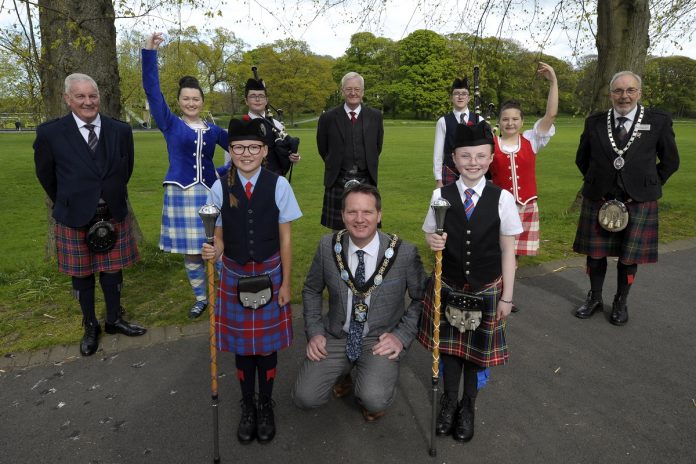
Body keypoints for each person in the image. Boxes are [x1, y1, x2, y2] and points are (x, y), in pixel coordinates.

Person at [418, 122, 522, 443]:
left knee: (476, 355)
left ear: (491, 158)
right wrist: (432, 240)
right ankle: (449, 402)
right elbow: (429, 232)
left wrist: (507, 297)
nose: (473, 162)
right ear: (454, 158)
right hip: (448, 285)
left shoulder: (502, 198)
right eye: (465, 156)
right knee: (449, 352)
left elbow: (508, 250)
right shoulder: (441, 194)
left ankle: (468, 406)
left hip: (486, 289)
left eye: (480, 156)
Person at [201, 117, 302, 444]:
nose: (246, 153)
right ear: (229, 150)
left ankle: (265, 404)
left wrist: (286, 284)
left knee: (267, 348)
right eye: (239, 147)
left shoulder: (279, 185)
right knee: (244, 350)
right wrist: (211, 250)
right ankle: (248, 405)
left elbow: (286, 239)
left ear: (264, 150)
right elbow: (219, 238)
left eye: (254, 147)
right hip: (234, 273)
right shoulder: (219, 186)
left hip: (271, 273)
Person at [34, 73, 146, 357]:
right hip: (74, 214)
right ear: (68, 99)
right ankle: (90, 325)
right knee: (81, 274)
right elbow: (46, 176)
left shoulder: (120, 130)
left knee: (112, 270)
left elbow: (126, 169)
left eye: (92, 96)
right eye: (80, 96)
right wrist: (70, 199)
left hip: (111, 211)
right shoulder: (50, 133)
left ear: (99, 97)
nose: (88, 102)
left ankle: (113, 319)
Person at [292, 183, 426, 422]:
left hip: (379, 339)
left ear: (379, 215)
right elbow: (311, 289)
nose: (360, 219)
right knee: (305, 397)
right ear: (343, 215)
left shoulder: (403, 252)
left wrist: (401, 335)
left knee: (373, 397)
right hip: (336, 335)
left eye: (367, 212)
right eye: (352, 212)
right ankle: (343, 372)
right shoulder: (327, 246)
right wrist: (314, 332)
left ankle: (371, 388)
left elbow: (421, 298)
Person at [573, 71, 679, 326]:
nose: (624, 96)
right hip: (600, 198)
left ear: (639, 93)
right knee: (595, 254)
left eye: (630, 90)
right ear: (611, 94)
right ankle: (595, 297)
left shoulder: (658, 120)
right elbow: (582, 158)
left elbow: (670, 161)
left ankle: (621, 301)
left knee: (628, 256)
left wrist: (648, 184)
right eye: (619, 91)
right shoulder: (595, 121)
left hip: (638, 200)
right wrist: (599, 181)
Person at [142, 32, 229, 319]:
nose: (191, 102)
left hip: (209, 192)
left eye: (196, 98)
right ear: (179, 101)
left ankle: (223, 295)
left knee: (215, 246)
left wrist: (223, 170)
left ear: (202, 101)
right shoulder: (170, 124)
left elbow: (242, 148)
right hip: (181, 193)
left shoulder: (214, 130)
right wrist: (149, 53)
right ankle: (201, 297)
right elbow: (153, 91)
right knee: (192, 253)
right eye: (186, 98)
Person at [488, 62, 558, 312]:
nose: (510, 123)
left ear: (521, 121)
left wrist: (553, 82)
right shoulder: (491, 143)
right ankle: (495, 292)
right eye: (505, 119)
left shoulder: (531, 140)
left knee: (513, 256)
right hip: (499, 207)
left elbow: (550, 116)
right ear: (499, 122)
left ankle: (506, 296)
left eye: (514, 118)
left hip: (526, 204)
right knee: (497, 253)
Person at [316, 72, 384, 230]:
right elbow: (323, 148)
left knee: (366, 223)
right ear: (342, 91)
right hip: (338, 178)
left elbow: (377, 146)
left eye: (357, 89)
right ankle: (338, 253)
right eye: (349, 89)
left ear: (363, 92)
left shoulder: (375, 116)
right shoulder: (328, 117)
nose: (353, 93)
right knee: (338, 227)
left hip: (366, 176)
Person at [243, 77, 300, 176]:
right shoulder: (239, 125)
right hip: (249, 180)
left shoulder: (276, 125)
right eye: (252, 96)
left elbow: (285, 152)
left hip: (275, 179)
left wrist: (294, 157)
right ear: (246, 100)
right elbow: (231, 159)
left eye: (261, 96)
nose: (257, 99)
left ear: (266, 101)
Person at [433, 77, 480, 187]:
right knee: (450, 204)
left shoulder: (479, 120)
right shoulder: (443, 121)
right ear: (451, 98)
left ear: (469, 98)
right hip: (450, 170)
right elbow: (438, 153)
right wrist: (438, 179)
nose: (460, 96)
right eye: (456, 93)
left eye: (464, 93)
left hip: (473, 172)